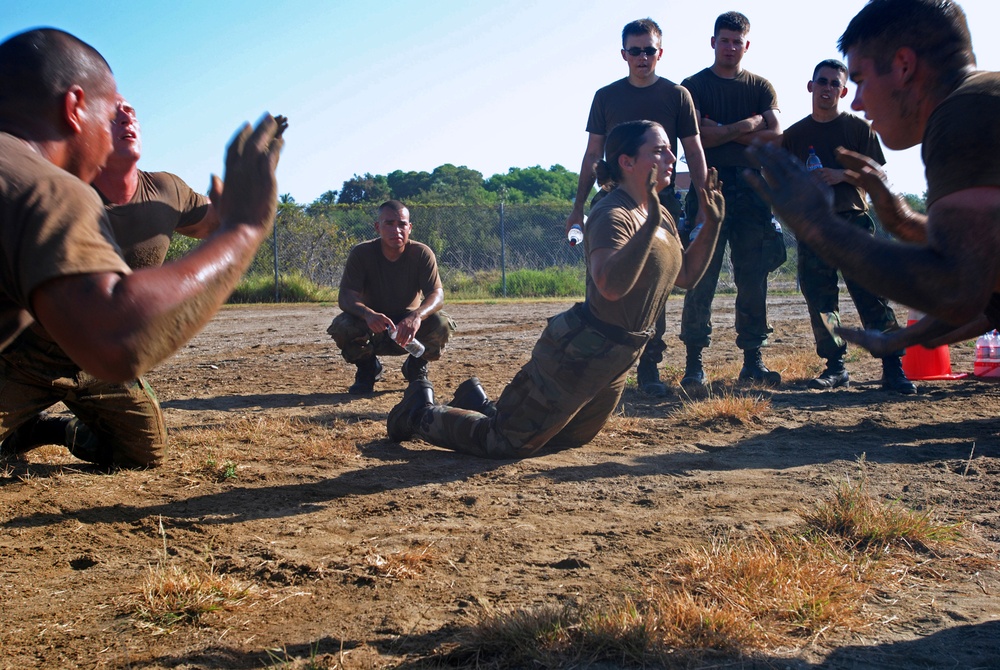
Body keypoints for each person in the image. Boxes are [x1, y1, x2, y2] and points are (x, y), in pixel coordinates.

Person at [0, 28, 284, 467]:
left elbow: (206, 222)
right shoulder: (55, 189)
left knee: (143, 453)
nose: (123, 122)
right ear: (75, 108)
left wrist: (224, 219)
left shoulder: (163, 189)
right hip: (36, 350)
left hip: (86, 360)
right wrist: (244, 229)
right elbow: (114, 336)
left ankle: (51, 428)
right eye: (111, 112)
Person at [385, 120, 724, 458]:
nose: (670, 157)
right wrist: (647, 227)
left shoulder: (660, 215)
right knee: (503, 442)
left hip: (622, 352)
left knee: (568, 438)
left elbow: (687, 277)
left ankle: (479, 405)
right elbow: (609, 286)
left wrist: (711, 224)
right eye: (659, 150)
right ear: (627, 161)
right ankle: (417, 412)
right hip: (583, 350)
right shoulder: (612, 213)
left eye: (669, 150)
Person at [745, 0, 1000, 350]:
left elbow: (958, 287)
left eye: (860, 80)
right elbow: (988, 273)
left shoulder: (964, 112)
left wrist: (818, 224)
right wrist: (903, 221)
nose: (858, 102)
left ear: (904, 66)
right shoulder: (983, 97)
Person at [564, 18, 708, 396]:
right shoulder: (606, 96)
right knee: (604, 280)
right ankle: (596, 365)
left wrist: (705, 202)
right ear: (624, 54)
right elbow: (593, 152)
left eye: (649, 50)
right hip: (613, 197)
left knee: (656, 279)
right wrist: (578, 206)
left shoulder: (677, 95)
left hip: (661, 200)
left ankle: (648, 367)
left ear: (660, 53)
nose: (642, 57)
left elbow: (693, 151)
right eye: (635, 50)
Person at [781, 59, 915, 394]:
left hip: (852, 222)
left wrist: (843, 175)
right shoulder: (795, 135)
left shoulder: (857, 129)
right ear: (810, 87)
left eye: (833, 84)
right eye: (821, 82)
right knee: (822, 301)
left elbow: (880, 178)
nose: (826, 89)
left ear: (842, 90)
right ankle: (835, 366)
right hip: (814, 228)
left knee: (872, 294)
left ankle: (892, 366)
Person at [677, 11, 784, 394]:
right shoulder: (693, 87)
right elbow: (694, 140)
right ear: (713, 42)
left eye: (737, 41)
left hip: (754, 192)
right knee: (700, 277)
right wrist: (745, 127)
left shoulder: (760, 87)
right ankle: (694, 364)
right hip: (708, 188)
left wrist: (720, 132)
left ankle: (753, 361)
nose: (730, 47)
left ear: (746, 45)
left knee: (752, 279)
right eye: (724, 40)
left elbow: (776, 136)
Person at [328, 200, 454, 395]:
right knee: (343, 325)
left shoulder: (422, 253)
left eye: (402, 224)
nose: (397, 230)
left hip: (408, 331)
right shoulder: (362, 253)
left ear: (410, 228)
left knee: (441, 323)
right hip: (374, 326)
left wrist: (417, 316)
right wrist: (368, 314)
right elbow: (345, 296)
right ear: (378, 227)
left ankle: (416, 367)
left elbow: (437, 295)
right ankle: (367, 369)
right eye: (389, 223)